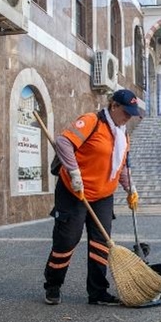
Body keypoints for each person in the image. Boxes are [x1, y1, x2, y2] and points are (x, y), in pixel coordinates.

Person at [43, 89, 142, 306]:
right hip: (74, 192)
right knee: (67, 240)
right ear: (114, 106)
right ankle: (53, 285)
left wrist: (130, 187)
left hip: (103, 195)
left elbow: (121, 166)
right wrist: (75, 173)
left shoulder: (122, 135)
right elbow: (64, 143)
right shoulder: (92, 121)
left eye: (131, 114)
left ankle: (97, 292)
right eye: (126, 112)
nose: (128, 118)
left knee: (101, 243)